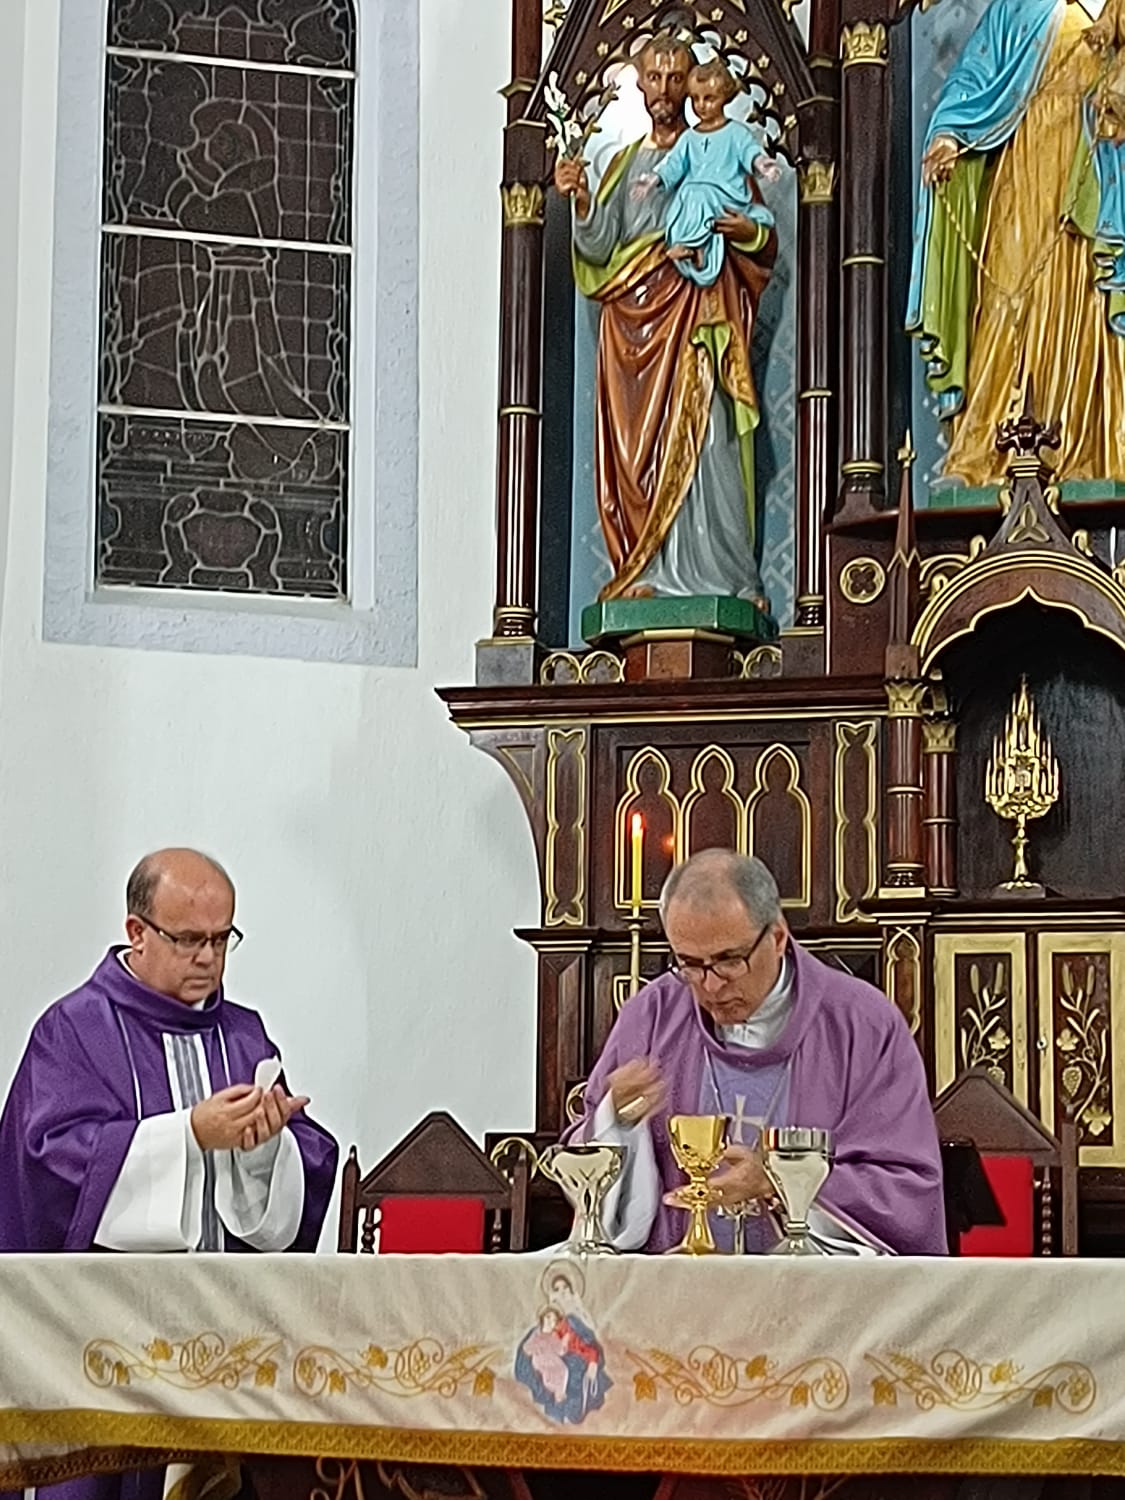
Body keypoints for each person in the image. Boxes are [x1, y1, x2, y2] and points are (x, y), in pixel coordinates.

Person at [565, 849, 946, 1254]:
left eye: (729, 960)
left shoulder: (863, 1025)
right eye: (690, 964)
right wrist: (617, 1122)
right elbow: (585, 1164)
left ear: (778, 937)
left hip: (813, 1300)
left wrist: (777, 1180)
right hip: (677, 1297)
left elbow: (906, 1190)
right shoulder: (651, 1017)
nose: (710, 986)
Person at [0, 848, 338, 1255]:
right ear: (137, 932)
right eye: (189, 939)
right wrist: (191, 1133)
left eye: (221, 938)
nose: (208, 958)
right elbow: (48, 1166)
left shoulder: (244, 1035)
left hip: (232, 1305)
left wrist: (266, 1147)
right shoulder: (74, 1030)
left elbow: (310, 1157)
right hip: (115, 1307)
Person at [554, 28, 776, 604]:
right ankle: (643, 568)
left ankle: (726, 577)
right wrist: (580, 199)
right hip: (633, 332)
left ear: (698, 86)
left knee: (712, 444)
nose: (665, 89)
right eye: (654, 77)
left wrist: (744, 230)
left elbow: (759, 235)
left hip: (700, 315)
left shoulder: (721, 152)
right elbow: (601, 245)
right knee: (637, 452)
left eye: (676, 78)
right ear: (638, 80)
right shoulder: (627, 163)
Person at [907, 0, 1125, 488]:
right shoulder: (1017, 6)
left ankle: (1092, 449)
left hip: (1096, 174)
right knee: (1007, 297)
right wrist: (946, 135)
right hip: (1024, 169)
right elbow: (974, 76)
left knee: (1090, 300)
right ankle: (992, 449)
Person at [641, 58, 779, 287]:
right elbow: (674, 163)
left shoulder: (735, 132)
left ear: (724, 97)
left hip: (725, 195)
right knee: (683, 201)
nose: (701, 105)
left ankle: (691, 245)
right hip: (694, 196)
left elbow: (749, 151)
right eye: (695, 99)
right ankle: (696, 251)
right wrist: (654, 178)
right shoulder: (689, 137)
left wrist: (762, 163)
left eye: (709, 98)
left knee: (699, 195)